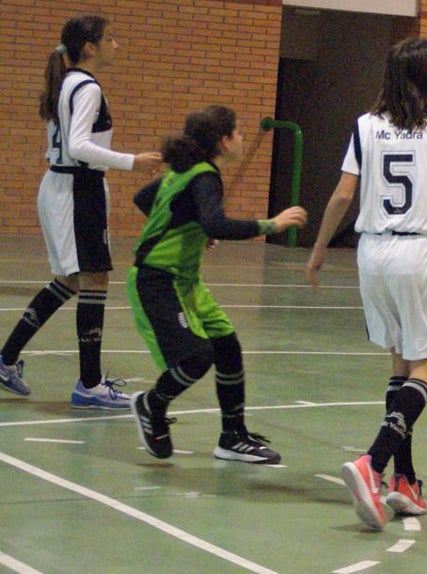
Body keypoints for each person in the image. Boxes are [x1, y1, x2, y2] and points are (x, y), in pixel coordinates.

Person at [305, 37, 427, 533]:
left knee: (401, 364)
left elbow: (342, 195)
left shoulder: (365, 126)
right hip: (417, 252)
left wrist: (320, 248)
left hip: (371, 251)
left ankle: (405, 481)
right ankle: (374, 461)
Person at [126, 105, 307, 464]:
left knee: (227, 346)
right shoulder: (205, 175)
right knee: (196, 355)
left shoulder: (185, 171)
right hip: (156, 280)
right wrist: (272, 224)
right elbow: (217, 224)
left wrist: (187, 224)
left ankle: (232, 436)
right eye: (238, 132)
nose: (241, 138)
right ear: (224, 141)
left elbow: (144, 199)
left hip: (185, 280)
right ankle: (151, 405)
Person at [0, 15, 161, 408]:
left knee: (71, 280)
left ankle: (5, 359)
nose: (117, 45)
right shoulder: (86, 86)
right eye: (111, 38)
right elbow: (79, 146)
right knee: (94, 280)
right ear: (89, 47)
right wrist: (132, 161)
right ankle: (89, 384)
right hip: (76, 187)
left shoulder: (68, 82)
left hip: (63, 186)